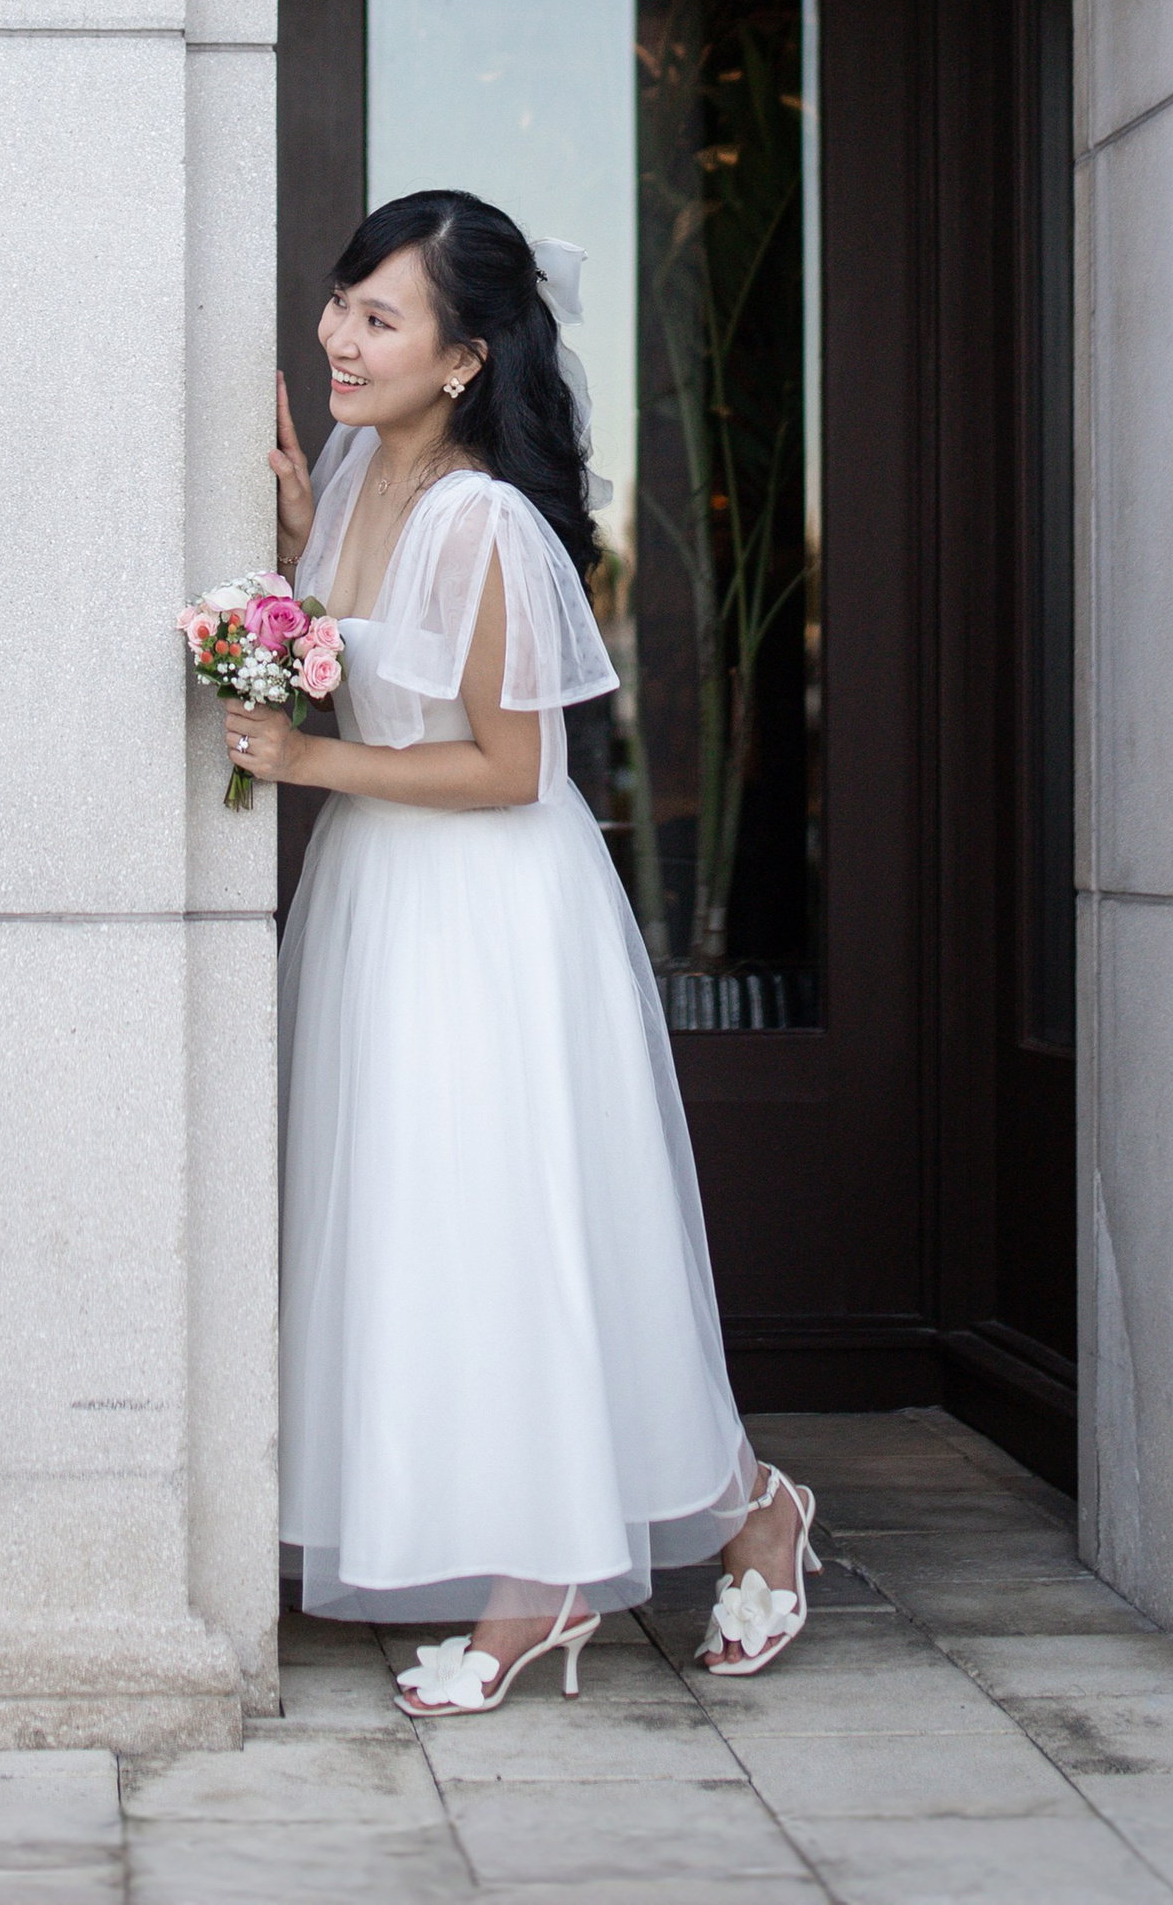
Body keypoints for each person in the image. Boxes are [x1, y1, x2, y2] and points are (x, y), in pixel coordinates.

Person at [225, 189, 818, 1717]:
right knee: (422, 1238)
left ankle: (557, 1574)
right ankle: (741, 1508)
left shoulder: (487, 522)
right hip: (378, 904)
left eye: (379, 317)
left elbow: (509, 769)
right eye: (341, 302)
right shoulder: (355, 471)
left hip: (487, 914)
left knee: (518, 1233)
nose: (339, 338)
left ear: (466, 357)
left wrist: (305, 767)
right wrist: (297, 557)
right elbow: (357, 648)